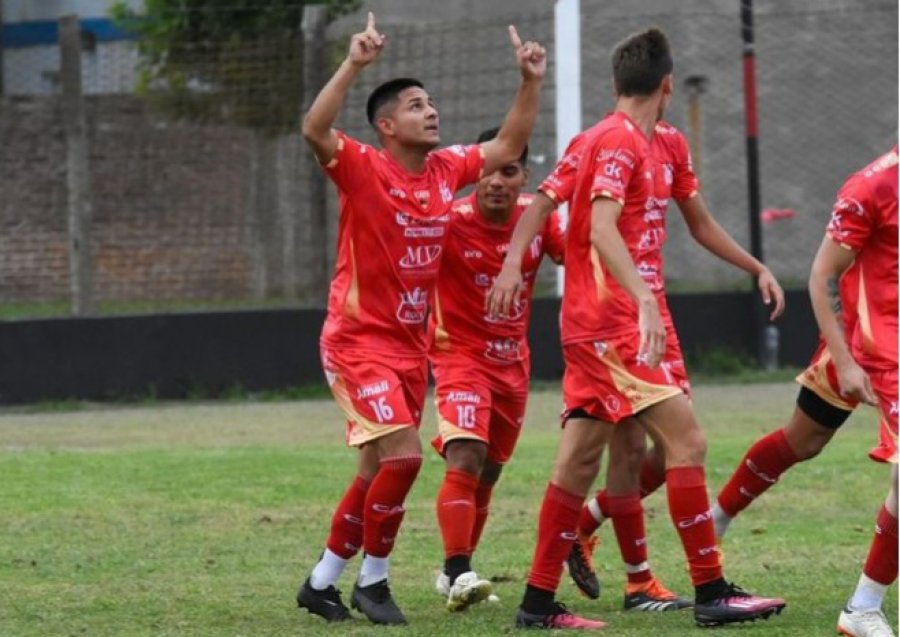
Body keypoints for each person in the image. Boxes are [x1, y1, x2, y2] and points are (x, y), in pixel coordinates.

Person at [488, 27, 786, 629]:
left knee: (579, 463)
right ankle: (711, 593)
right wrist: (643, 301)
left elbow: (697, 223)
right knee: (688, 444)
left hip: (623, 320)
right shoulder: (614, 141)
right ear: (668, 84)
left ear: (618, 82)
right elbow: (593, 226)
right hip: (615, 321)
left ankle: (536, 606)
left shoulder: (667, 143)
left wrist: (754, 267)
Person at [295, 12, 547, 626]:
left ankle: (321, 582)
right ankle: (372, 582)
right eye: (415, 105)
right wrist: (354, 64)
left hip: (410, 350)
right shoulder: (363, 167)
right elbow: (314, 128)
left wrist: (530, 81)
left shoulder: (443, 171)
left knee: (375, 471)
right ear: (387, 126)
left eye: (431, 103)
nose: (430, 111)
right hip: (358, 342)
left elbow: (508, 145)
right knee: (405, 459)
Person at [714, 147, 898, 636]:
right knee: (801, 440)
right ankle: (716, 520)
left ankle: (863, 605)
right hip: (872, 350)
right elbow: (820, 275)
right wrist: (844, 359)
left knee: (806, 441)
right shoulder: (870, 187)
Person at [429, 127, 565, 611]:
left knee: (488, 472)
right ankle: (458, 570)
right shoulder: (448, 220)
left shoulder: (538, 217)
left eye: (508, 171)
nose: (495, 181)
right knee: (465, 454)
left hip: (513, 364)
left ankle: (455, 570)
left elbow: (578, 255)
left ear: (525, 175)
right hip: (458, 355)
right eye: (486, 171)